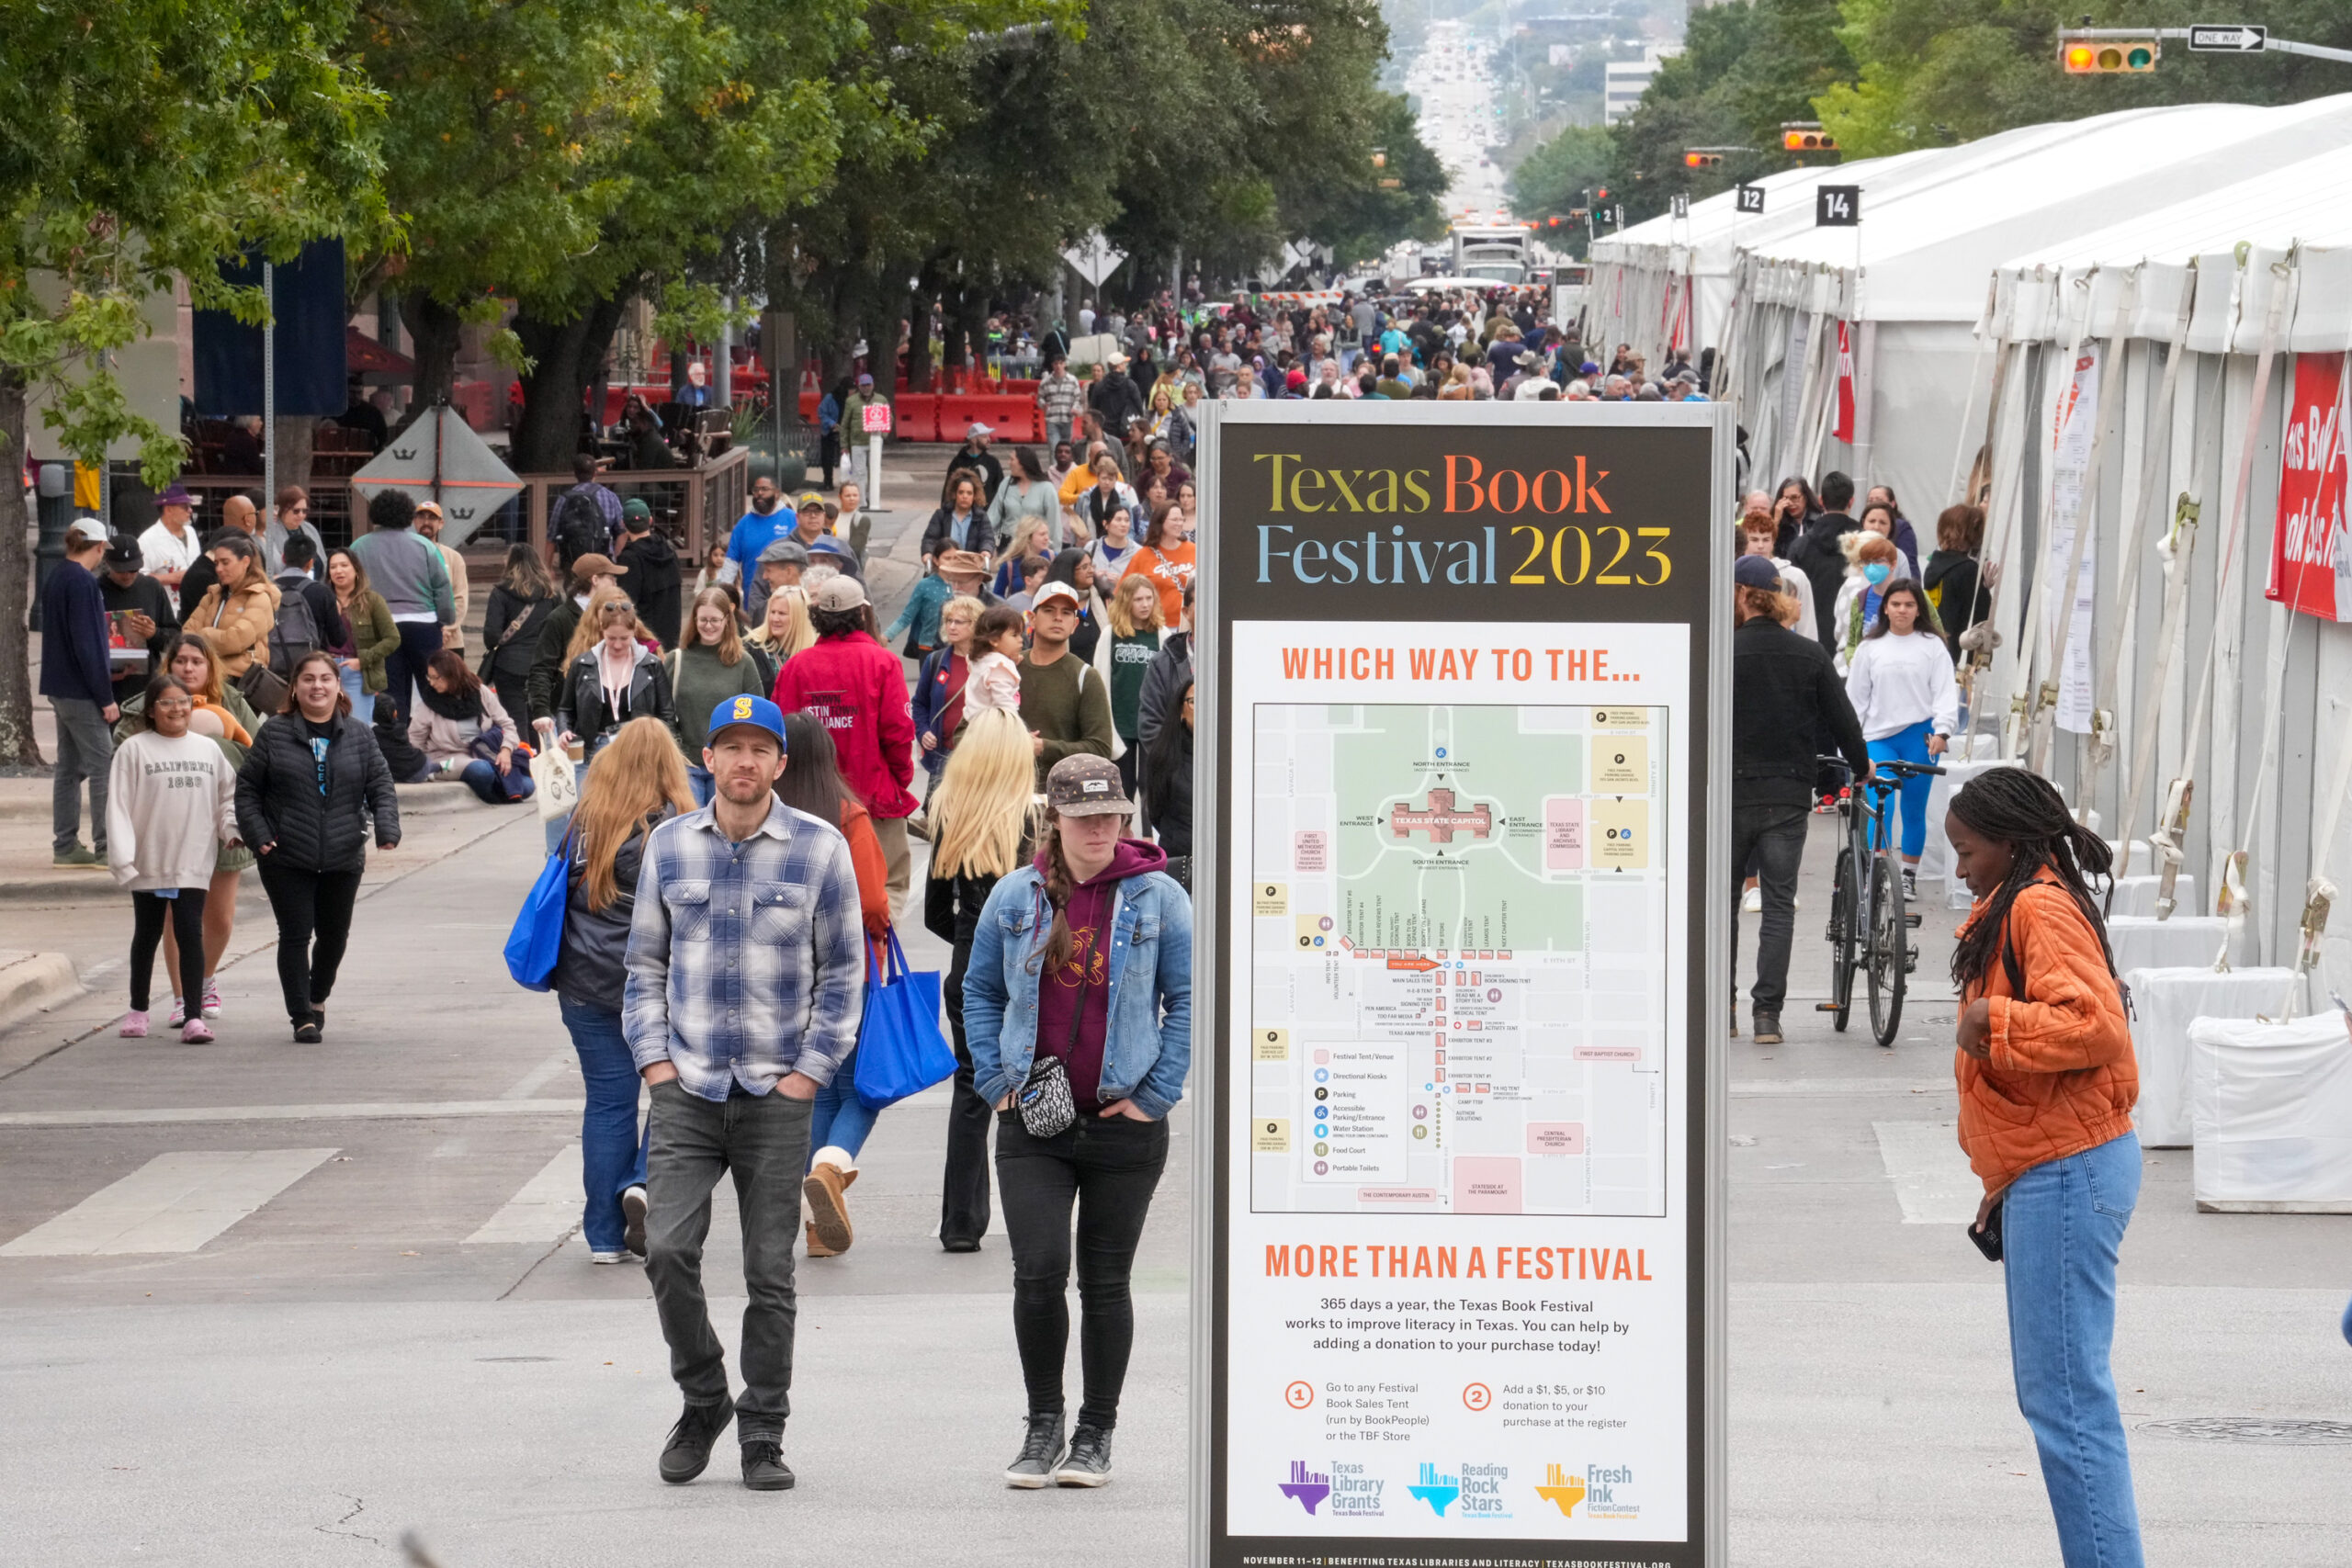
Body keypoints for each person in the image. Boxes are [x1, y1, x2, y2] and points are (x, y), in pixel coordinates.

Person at [625, 694, 864, 1494]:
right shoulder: (669, 847)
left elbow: (844, 976)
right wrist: (656, 1065)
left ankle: (764, 1427)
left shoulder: (820, 849)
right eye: (731, 747)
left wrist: (809, 1073)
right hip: (686, 1090)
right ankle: (703, 1398)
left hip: (775, 1093)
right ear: (709, 757)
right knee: (665, 1248)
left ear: (780, 764)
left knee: (771, 1270)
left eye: (760, 748)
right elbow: (643, 968)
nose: (745, 762)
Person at [965, 753, 1192, 1487]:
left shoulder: (1159, 897)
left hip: (1124, 1126)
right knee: (1037, 1272)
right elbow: (978, 991)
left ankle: (1096, 1433)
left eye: (1110, 815)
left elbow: (1190, 1000)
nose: (1099, 828)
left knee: (1105, 1280)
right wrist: (998, 1083)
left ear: (1125, 817)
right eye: (1083, 816)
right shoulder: (1014, 897)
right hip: (1034, 1123)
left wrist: (1155, 1094)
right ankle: (1041, 1426)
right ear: (1054, 819)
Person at [1944, 769, 2143, 1568]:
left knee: (2067, 1404)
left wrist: (1990, 1022)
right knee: (2062, 1400)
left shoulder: (2037, 903)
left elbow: (2093, 1026)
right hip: (2053, 1168)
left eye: (1966, 850)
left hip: (2070, 1169)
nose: (1957, 867)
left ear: (2010, 840)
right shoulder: (2018, 899)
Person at [555, 717, 694, 1263]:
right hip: (655, 985)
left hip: (584, 981)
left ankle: (604, 1239)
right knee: (678, 1092)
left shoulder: (583, 822)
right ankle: (640, 1182)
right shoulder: (677, 825)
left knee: (608, 1105)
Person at [1730, 554, 1870, 1045]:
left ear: (1743, 596)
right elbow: (1844, 720)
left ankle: (1723, 1007)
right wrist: (1861, 763)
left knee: (1722, 904)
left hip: (1730, 794)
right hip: (1788, 795)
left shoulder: (1720, 652)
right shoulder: (1809, 655)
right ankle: (1766, 1015)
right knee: (1778, 906)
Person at [772, 710, 893, 1258]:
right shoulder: (847, 815)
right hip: (847, 969)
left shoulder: (769, 821)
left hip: (785, 974)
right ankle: (831, 1167)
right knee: (863, 1087)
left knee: (813, 1087)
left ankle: (819, 1228)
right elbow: (871, 899)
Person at [234, 651, 400, 1043]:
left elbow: (381, 785)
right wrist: (260, 836)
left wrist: (386, 828)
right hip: (286, 854)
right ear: (295, 687)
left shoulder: (358, 734)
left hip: (343, 854)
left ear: (337, 686)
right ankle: (301, 1016)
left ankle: (318, 996)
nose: (317, 686)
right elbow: (247, 791)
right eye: (308, 679)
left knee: (334, 936)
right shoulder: (274, 732)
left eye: (325, 678)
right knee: (295, 933)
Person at [923, 709, 1035, 1251]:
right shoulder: (1033, 822)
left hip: (969, 966)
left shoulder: (949, 811)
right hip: (1032, 966)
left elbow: (932, 914)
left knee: (971, 1088)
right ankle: (1036, 1213)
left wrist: (972, 941)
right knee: (1038, 1082)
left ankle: (960, 1223)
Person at [116, 634, 261, 1024]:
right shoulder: (145, 706)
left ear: (210, 666)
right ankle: (184, 997)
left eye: (197, 661)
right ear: (169, 666)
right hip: (166, 830)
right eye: (181, 661)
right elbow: (125, 751)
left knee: (220, 918)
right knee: (175, 920)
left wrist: (212, 744)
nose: (189, 668)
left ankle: (205, 977)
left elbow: (258, 755)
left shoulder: (233, 704)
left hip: (220, 825)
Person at [772, 576, 920, 912]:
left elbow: (779, 736)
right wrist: (899, 781)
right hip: (873, 799)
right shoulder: (883, 662)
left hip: (808, 801)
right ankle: (872, 961)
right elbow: (898, 732)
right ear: (862, 613)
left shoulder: (795, 667)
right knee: (886, 891)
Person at [1847, 581, 1958, 895]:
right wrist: (1852, 740)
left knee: (1913, 808)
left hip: (1918, 738)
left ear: (1918, 609)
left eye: (1909, 604)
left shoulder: (1932, 646)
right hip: (1878, 739)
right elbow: (1855, 698)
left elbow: (1945, 692)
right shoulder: (1870, 648)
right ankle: (1877, 873)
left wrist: (1943, 730)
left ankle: (1907, 877)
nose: (1902, 610)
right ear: (1885, 608)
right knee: (1883, 803)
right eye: (1896, 604)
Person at [43, 520, 123, 869]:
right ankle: (106, 846)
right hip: (81, 690)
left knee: (69, 768)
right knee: (104, 766)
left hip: (60, 686)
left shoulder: (59, 575)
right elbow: (89, 645)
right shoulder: (83, 583)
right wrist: (105, 696)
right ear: (100, 547)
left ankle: (65, 843)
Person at [347, 489, 455, 725]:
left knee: (392, 688)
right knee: (433, 684)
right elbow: (442, 587)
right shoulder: (425, 546)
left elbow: (351, 589)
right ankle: (437, 736)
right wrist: (444, 620)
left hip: (381, 626)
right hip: (423, 623)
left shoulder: (359, 547)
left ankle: (397, 738)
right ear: (407, 514)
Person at [669, 588, 771, 806]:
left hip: (729, 766)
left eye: (714, 619)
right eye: (702, 619)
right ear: (694, 619)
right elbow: (662, 713)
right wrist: (675, 749)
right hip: (686, 765)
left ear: (727, 620)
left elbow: (757, 719)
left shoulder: (743, 662)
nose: (708, 625)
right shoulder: (676, 660)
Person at [1015, 582, 1115, 789]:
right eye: (1049, 610)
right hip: (1004, 796)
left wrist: (1044, 747)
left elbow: (1101, 748)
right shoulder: (1007, 668)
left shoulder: (1085, 677)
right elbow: (966, 730)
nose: (1058, 618)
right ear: (1031, 619)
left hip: (1062, 801)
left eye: (1066, 612)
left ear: (1074, 624)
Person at [557, 593, 678, 761]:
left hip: (638, 751)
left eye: (624, 638)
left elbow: (667, 714)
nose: (618, 645)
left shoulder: (651, 665)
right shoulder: (582, 664)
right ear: (602, 629)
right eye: (611, 638)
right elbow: (565, 709)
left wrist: (660, 750)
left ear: (634, 630)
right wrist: (564, 731)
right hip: (592, 751)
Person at [409, 649, 531, 803]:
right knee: (481, 771)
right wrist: (419, 768)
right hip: (447, 758)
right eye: (429, 677)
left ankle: (497, 789)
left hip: (486, 752)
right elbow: (414, 741)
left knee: (527, 786)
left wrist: (506, 750)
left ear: (452, 675)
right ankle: (494, 798)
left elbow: (508, 724)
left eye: (436, 678)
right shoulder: (429, 703)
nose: (431, 683)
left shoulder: (480, 692)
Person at [1097, 574, 1169, 807]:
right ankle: (1121, 834)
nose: (1145, 604)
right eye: (1139, 599)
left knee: (1151, 785)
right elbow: (1100, 677)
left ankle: (1150, 837)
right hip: (1120, 721)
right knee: (1122, 786)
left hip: (1151, 722)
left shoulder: (1162, 635)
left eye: (1149, 598)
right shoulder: (1110, 634)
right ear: (1126, 601)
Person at [527, 554, 620, 726]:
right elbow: (541, 668)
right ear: (595, 580)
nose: (615, 583)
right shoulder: (560, 618)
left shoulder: (617, 614)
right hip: (571, 718)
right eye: (611, 578)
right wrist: (542, 712)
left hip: (611, 715)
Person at [97, 534, 179, 713]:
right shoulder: (96, 589)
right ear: (108, 563)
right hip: (108, 688)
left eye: (133, 570)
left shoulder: (152, 587)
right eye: (121, 570)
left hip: (145, 686)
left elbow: (175, 637)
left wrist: (153, 634)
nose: (127, 575)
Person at [184, 533, 280, 682]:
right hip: (206, 676)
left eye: (225, 562)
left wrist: (204, 635)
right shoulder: (212, 595)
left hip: (240, 681)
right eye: (216, 563)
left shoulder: (259, 597)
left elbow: (235, 640)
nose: (219, 569)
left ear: (245, 562)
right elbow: (187, 634)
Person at [481, 545, 559, 727]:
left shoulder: (500, 593)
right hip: (543, 666)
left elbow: (491, 636)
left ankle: (522, 754)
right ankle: (539, 754)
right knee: (539, 720)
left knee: (514, 722)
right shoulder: (551, 595)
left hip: (509, 666)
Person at [912, 594, 984, 792]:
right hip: (943, 757)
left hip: (981, 758)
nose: (952, 626)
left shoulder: (989, 662)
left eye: (959, 622)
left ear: (976, 624)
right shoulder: (935, 661)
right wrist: (923, 731)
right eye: (949, 621)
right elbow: (919, 703)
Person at [325, 547, 400, 727]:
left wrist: (363, 660)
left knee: (358, 726)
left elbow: (392, 638)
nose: (338, 571)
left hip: (358, 673)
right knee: (325, 728)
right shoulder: (323, 598)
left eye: (344, 565)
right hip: (326, 670)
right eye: (333, 567)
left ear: (356, 570)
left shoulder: (372, 600)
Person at [1788, 471, 1858, 657]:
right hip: (1855, 641)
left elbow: (1790, 595)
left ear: (1821, 500)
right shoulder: (1865, 544)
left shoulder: (1800, 546)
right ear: (1851, 502)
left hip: (1810, 640)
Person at [270, 536, 351, 676]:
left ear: (283, 558)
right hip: (312, 670)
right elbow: (338, 640)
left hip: (273, 668)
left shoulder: (267, 589)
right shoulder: (322, 592)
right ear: (310, 563)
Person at [1737, 500, 1816, 642]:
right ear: (1744, 541)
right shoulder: (1735, 575)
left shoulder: (1796, 576)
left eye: (1766, 539)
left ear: (1773, 542)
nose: (1760, 546)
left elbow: (1807, 624)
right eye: (1754, 540)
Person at [1924, 503, 1994, 662]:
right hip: (1958, 652)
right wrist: (1985, 589)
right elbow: (1981, 616)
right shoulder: (1968, 569)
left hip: (1933, 645)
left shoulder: (1934, 564)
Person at [1141, 674, 1193, 888]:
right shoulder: (1164, 755)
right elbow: (1156, 810)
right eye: (1194, 701)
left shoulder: (1238, 755)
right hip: (1179, 862)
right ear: (1181, 710)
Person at [614, 499, 684, 649]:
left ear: (623, 524)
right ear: (651, 520)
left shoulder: (629, 559)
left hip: (643, 640)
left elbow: (627, 602)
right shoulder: (670, 552)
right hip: (670, 637)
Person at [1829, 532, 1904, 675]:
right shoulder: (1866, 587)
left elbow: (1840, 631)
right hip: (1861, 667)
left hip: (1844, 664)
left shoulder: (1847, 584)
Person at [1136, 579, 1193, 754]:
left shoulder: (1241, 659)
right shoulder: (1162, 663)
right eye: (1204, 602)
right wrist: (1180, 770)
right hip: (1176, 774)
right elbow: (1149, 726)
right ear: (1186, 612)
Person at [1122, 502, 1194, 630]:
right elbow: (1123, 592)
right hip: (1155, 627)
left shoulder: (1194, 551)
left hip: (1188, 626)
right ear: (1160, 521)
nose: (1179, 523)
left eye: (1181, 519)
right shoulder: (1143, 555)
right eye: (1174, 519)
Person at [412, 502, 471, 654]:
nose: (426, 522)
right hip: (415, 639)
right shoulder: (405, 556)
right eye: (421, 517)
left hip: (450, 642)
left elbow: (460, 599)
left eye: (432, 518)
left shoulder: (453, 557)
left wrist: (446, 629)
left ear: (441, 523)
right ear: (414, 521)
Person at [551, 454, 624, 570]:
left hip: (573, 562)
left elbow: (551, 535)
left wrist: (548, 568)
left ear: (575, 474)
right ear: (595, 473)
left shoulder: (564, 498)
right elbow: (622, 531)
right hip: (603, 560)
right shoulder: (610, 497)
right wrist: (615, 561)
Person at [725, 477, 799, 586]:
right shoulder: (743, 524)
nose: (759, 493)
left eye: (764, 489)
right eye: (756, 490)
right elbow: (731, 562)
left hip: (787, 595)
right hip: (752, 595)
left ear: (777, 493)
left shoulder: (792, 519)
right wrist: (723, 589)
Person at [744, 582, 816, 684]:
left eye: (782, 613)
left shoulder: (815, 651)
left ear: (798, 618)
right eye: (772, 612)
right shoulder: (753, 648)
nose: (775, 619)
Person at [920, 470, 990, 569]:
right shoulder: (941, 515)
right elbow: (930, 538)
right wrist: (928, 553)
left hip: (970, 569)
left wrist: (985, 551)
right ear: (954, 494)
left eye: (969, 493)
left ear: (974, 496)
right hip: (944, 568)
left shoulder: (981, 517)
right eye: (961, 492)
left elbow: (987, 538)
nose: (965, 496)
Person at [139, 484, 203, 592]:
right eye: (185, 507)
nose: (190, 510)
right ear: (168, 510)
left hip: (194, 603)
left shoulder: (191, 532)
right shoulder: (148, 539)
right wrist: (171, 578)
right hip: (167, 605)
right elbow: (138, 577)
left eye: (190, 506)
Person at [266, 486, 326, 581]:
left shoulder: (309, 529)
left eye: (305, 511)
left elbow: (323, 561)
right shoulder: (270, 532)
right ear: (283, 509)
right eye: (296, 511)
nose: (301, 515)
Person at [1037, 355, 1084, 456]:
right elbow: (1040, 398)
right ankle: (1054, 470)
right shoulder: (1045, 382)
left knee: (1066, 450)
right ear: (1052, 365)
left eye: (1061, 363)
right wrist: (1043, 405)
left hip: (1067, 419)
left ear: (1064, 364)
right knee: (1054, 449)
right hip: (1052, 419)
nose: (1058, 366)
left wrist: (1074, 409)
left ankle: (1066, 470)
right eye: (1056, 364)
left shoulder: (1072, 380)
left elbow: (1077, 398)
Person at [956, 422, 1005, 505]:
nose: (989, 439)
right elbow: (949, 491)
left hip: (987, 515)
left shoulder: (993, 463)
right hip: (963, 514)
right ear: (973, 439)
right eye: (984, 437)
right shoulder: (958, 462)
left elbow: (1001, 491)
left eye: (988, 436)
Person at [833, 480, 873, 566]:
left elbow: (857, 550)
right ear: (840, 497)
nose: (852, 499)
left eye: (855, 495)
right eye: (848, 496)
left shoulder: (861, 520)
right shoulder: (832, 516)